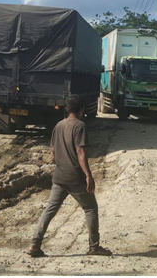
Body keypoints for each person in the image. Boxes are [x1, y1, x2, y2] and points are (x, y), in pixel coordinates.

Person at [28, 95, 112, 258]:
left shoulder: (58, 126)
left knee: (49, 210)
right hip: (75, 177)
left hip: (59, 177)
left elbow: (53, 152)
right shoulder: (79, 126)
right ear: (82, 110)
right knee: (90, 208)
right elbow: (80, 151)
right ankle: (94, 247)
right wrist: (88, 175)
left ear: (67, 109)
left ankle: (34, 245)